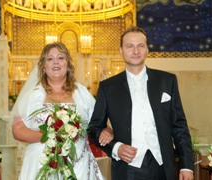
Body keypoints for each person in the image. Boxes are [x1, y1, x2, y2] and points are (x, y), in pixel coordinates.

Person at [87, 26, 194, 180]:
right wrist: (116, 148)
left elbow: (179, 127)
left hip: (163, 167)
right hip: (127, 169)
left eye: (140, 46)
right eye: (130, 46)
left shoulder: (167, 81)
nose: (135, 51)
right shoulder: (108, 87)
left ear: (147, 50)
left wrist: (186, 166)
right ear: (121, 51)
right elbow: (94, 128)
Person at [11, 42, 107, 180]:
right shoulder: (32, 95)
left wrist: (107, 131)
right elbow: (17, 130)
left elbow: (99, 123)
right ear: (43, 66)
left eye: (60, 58)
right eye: (50, 59)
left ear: (68, 63)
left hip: (78, 163)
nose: (56, 62)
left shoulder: (81, 93)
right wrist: (51, 136)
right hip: (40, 163)